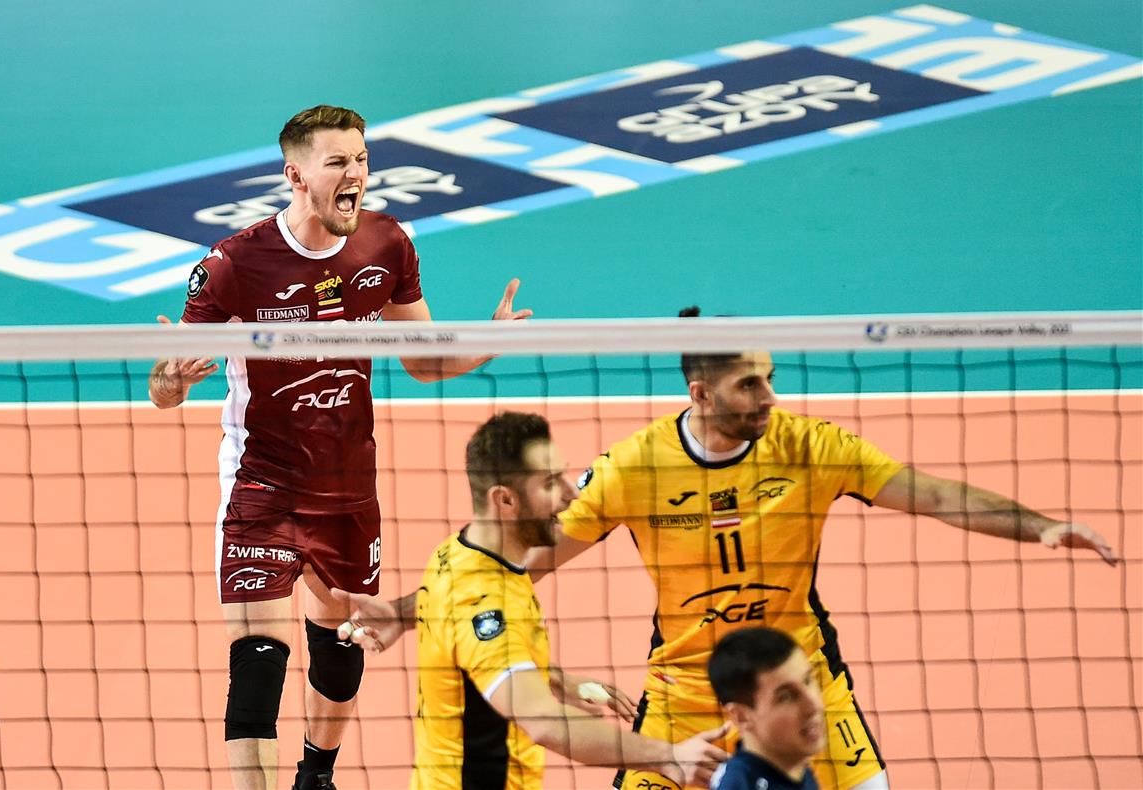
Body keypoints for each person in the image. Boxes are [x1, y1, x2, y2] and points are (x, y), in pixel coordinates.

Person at [337, 306, 1119, 790]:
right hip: (685, 688)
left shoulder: (810, 447)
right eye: (751, 385)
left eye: (769, 378)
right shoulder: (637, 467)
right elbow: (525, 560)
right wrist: (406, 612)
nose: (770, 397)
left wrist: (1038, 525)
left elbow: (936, 495)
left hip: (801, 680)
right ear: (701, 393)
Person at [147, 104, 531, 790]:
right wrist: (171, 383)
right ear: (296, 177)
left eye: (361, 159)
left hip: (349, 487)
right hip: (261, 484)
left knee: (340, 648)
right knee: (258, 658)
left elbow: (423, 360)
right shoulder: (234, 264)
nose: (355, 173)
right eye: (337, 162)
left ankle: (315, 775)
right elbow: (164, 386)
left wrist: (488, 343)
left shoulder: (386, 245)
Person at [336, 411, 730, 788]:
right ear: (504, 500)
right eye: (551, 483)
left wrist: (554, 679)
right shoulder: (486, 599)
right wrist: (670, 757)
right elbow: (543, 722)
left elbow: (461, 631)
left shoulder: (457, 554)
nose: (572, 494)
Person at [707, 628, 824, 790]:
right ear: (741, 716)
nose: (814, 706)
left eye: (808, 680)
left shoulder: (796, 769)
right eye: (785, 697)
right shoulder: (739, 785)